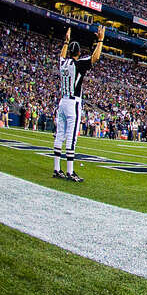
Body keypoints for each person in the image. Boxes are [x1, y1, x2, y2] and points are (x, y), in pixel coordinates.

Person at [53, 25, 105, 181]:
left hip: (62, 101)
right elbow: (95, 57)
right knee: (71, 137)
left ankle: (57, 168)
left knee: (59, 135)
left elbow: (61, 56)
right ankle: (69, 171)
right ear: (79, 53)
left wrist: (66, 42)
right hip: (73, 103)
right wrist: (101, 40)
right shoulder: (78, 64)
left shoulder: (64, 64)